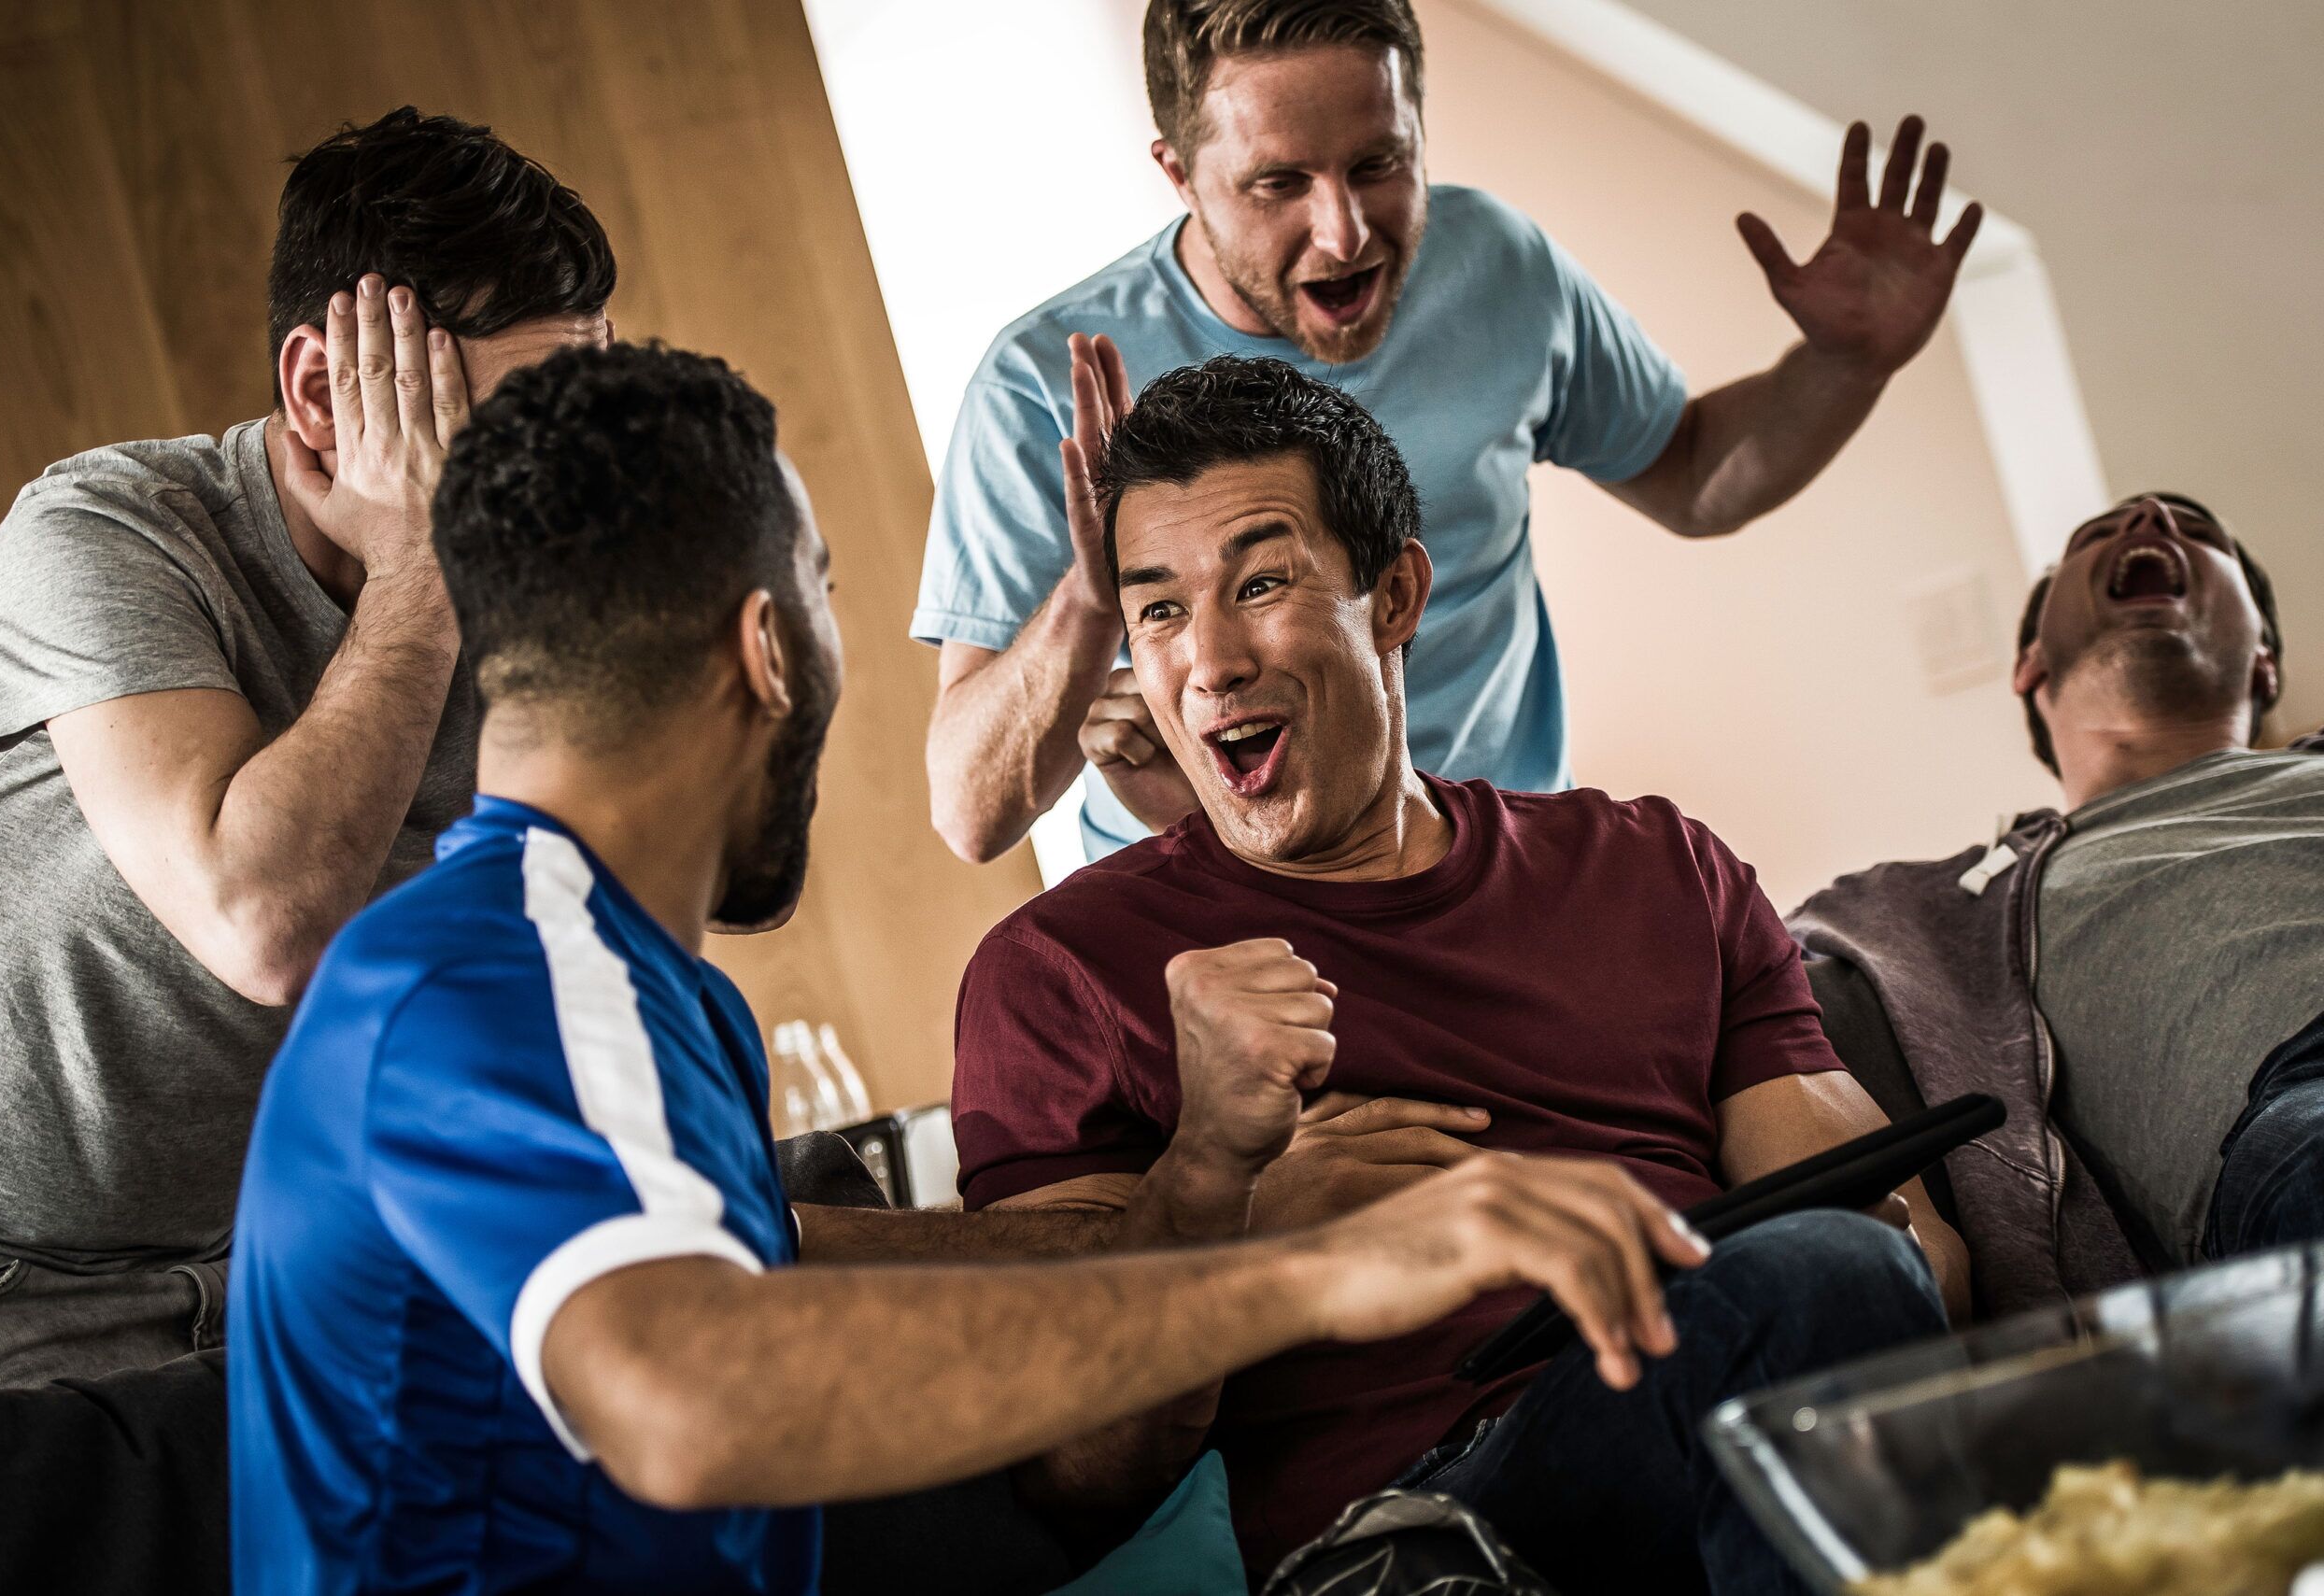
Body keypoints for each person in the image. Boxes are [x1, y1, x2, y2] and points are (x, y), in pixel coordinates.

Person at [226, 340, 1748, 1595]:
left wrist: (1218, 1198)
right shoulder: (490, 977)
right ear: (769, 645)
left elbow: (797, 1267)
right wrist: (1318, 1268)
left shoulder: (632, 995)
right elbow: (692, 1397)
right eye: (826, 590)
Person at [947, 356, 1963, 1592]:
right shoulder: (1058, 972)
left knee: (1831, 1273)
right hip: (1406, 1545)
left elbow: (1910, 1264)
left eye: (1260, 583)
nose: (1206, 662)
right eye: (1156, 609)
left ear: (1395, 597)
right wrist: (1216, 1187)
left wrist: (1835, 1254)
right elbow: (1079, 1482)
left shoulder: (1658, 868)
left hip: (1716, 1398)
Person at [917, 0, 1984, 865]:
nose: (1342, 232)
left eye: (1377, 164)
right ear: (1177, 174)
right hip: (1215, 929)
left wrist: (1847, 363)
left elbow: (1697, 476)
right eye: (1279, 183)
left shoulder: (1500, 266)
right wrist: (1095, 599)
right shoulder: (1042, 387)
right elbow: (972, 812)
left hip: (1498, 886)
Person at [0, 106, 618, 1391]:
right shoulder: (96, 541)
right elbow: (267, 922)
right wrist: (419, 563)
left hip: (291, 1253)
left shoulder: (521, 575)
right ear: (321, 393)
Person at [1795, 492, 2319, 1308]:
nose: (2150, 517)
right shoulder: (1924, 917)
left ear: (2265, 660)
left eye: (2200, 530)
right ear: (2031, 663)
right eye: (2097, 535)